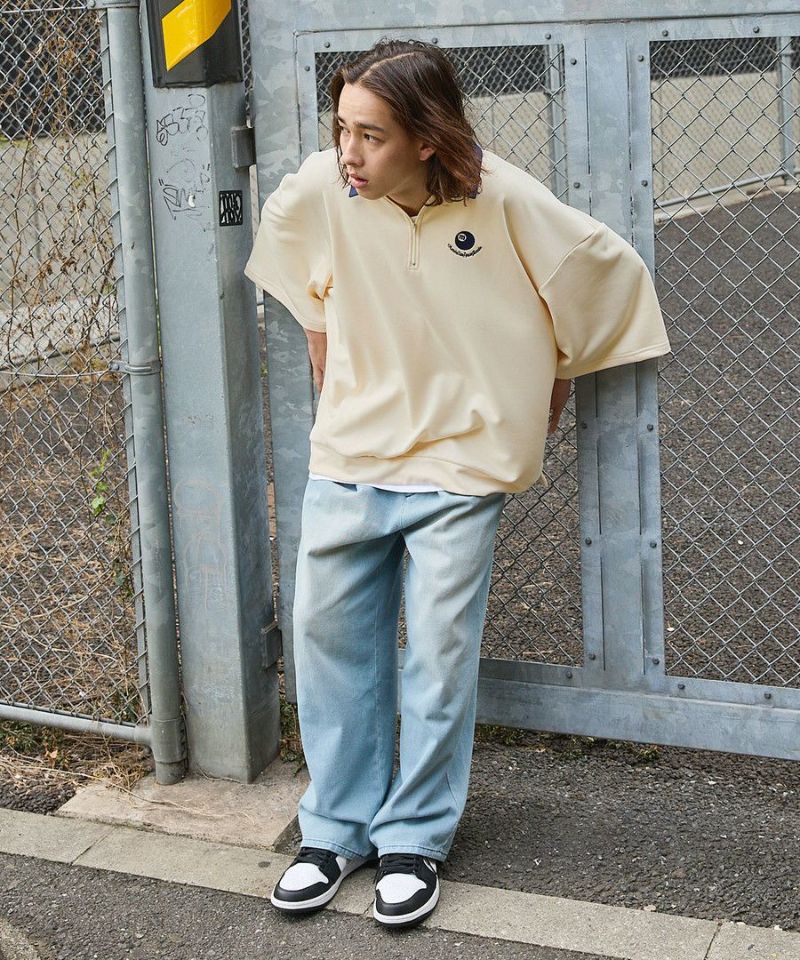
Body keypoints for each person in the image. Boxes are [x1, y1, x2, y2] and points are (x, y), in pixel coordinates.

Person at [244, 38, 671, 930]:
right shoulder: (325, 187)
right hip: (355, 454)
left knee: (438, 654)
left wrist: (547, 385)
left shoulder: (502, 197)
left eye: (371, 136)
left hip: (461, 463)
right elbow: (293, 262)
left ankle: (413, 839)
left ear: (427, 138)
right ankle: (334, 830)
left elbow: (599, 276)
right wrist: (329, 354)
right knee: (327, 640)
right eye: (341, 129)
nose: (348, 152)